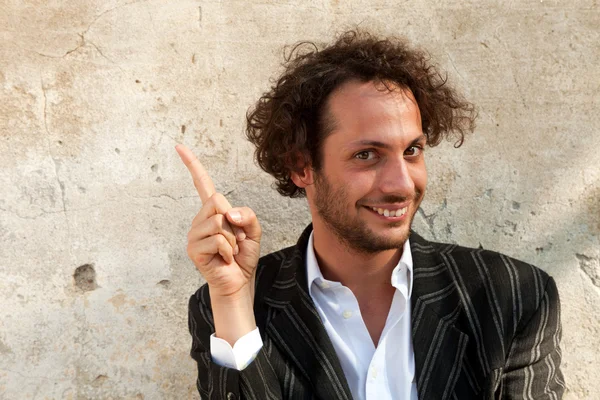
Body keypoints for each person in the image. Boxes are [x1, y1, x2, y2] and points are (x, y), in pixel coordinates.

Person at [176, 30, 565, 400]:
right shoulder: (228, 307)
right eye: (367, 155)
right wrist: (231, 302)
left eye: (412, 151)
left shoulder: (515, 297)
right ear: (301, 166)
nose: (401, 183)